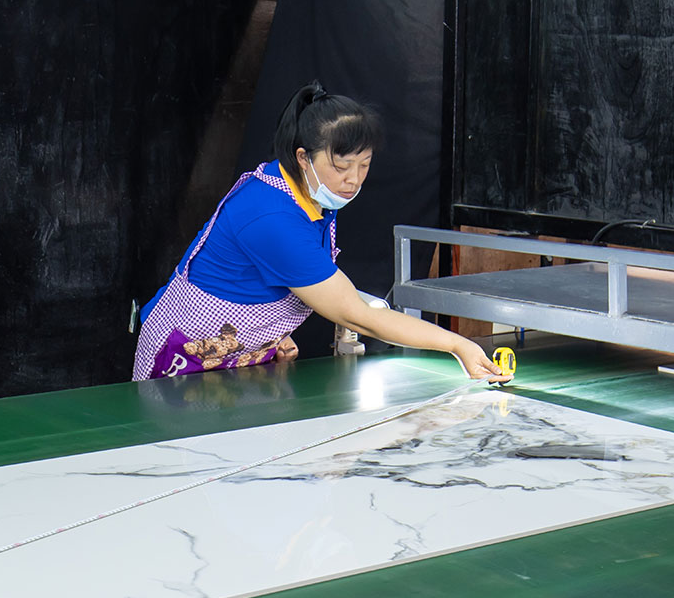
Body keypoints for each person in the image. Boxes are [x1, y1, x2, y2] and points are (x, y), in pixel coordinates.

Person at [133, 82, 508, 382]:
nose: (353, 180)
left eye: (364, 165)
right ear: (303, 157)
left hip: (238, 359)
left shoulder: (305, 192)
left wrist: (269, 333)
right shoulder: (271, 217)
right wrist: (458, 345)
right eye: (342, 166)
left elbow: (256, 278)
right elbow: (357, 315)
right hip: (182, 361)